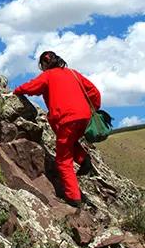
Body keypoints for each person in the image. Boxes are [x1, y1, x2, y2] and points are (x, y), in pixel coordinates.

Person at [13, 51, 100, 207]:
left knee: (63, 160)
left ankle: (73, 198)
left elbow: (31, 87)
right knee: (70, 141)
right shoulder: (73, 73)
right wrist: (92, 108)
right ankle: (82, 159)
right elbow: (94, 92)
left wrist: (16, 91)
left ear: (44, 64)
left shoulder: (48, 75)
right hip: (84, 117)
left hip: (66, 119)